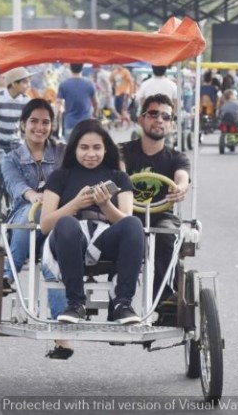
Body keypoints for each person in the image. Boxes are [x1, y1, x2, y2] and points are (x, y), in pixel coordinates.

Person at [39, 119, 144, 325]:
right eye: (84, 148)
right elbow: (45, 224)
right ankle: (76, 303)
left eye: (97, 148)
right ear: (74, 149)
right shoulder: (60, 176)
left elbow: (126, 219)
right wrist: (75, 204)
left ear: (106, 150)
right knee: (66, 223)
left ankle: (122, 303)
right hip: (69, 236)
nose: (91, 154)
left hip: (106, 234)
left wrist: (105, 205)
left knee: (134, 224)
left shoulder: (120, 177)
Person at [0, 99, 71, 358]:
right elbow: (15, 185)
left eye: (46, 122)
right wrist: (33, 196)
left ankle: (61, 336)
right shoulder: (11, 158)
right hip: (24, 212)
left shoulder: (62, 153)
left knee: (53, 263)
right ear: (23, 125)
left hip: (58, 216)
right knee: (28, 222)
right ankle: (8, 275)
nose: (40, 127)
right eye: (34, 121)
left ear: (52, 125)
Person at [120, 94, 190, 320]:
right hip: (126, 213)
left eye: (165, 117)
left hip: (161, 215)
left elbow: (182, 177)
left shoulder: (176, 157)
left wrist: (180, 188)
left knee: (166, 234)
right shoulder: (123, 151)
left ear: (171, 125)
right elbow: (118, 171)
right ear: (141, 119)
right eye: (153, 114)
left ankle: (164, 300)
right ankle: (120, 304)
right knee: (122, 232)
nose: (159, 120)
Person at [56, 63, 96, 140]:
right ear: (82, 68)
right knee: (85, 147)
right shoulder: (89, 83)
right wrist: (95, 113)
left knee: (71, 148)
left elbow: (58, 102)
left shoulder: (63, 84)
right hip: (86, 124)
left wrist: (54, 118)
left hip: (70, 124)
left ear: (70, 68)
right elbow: (95, 102)